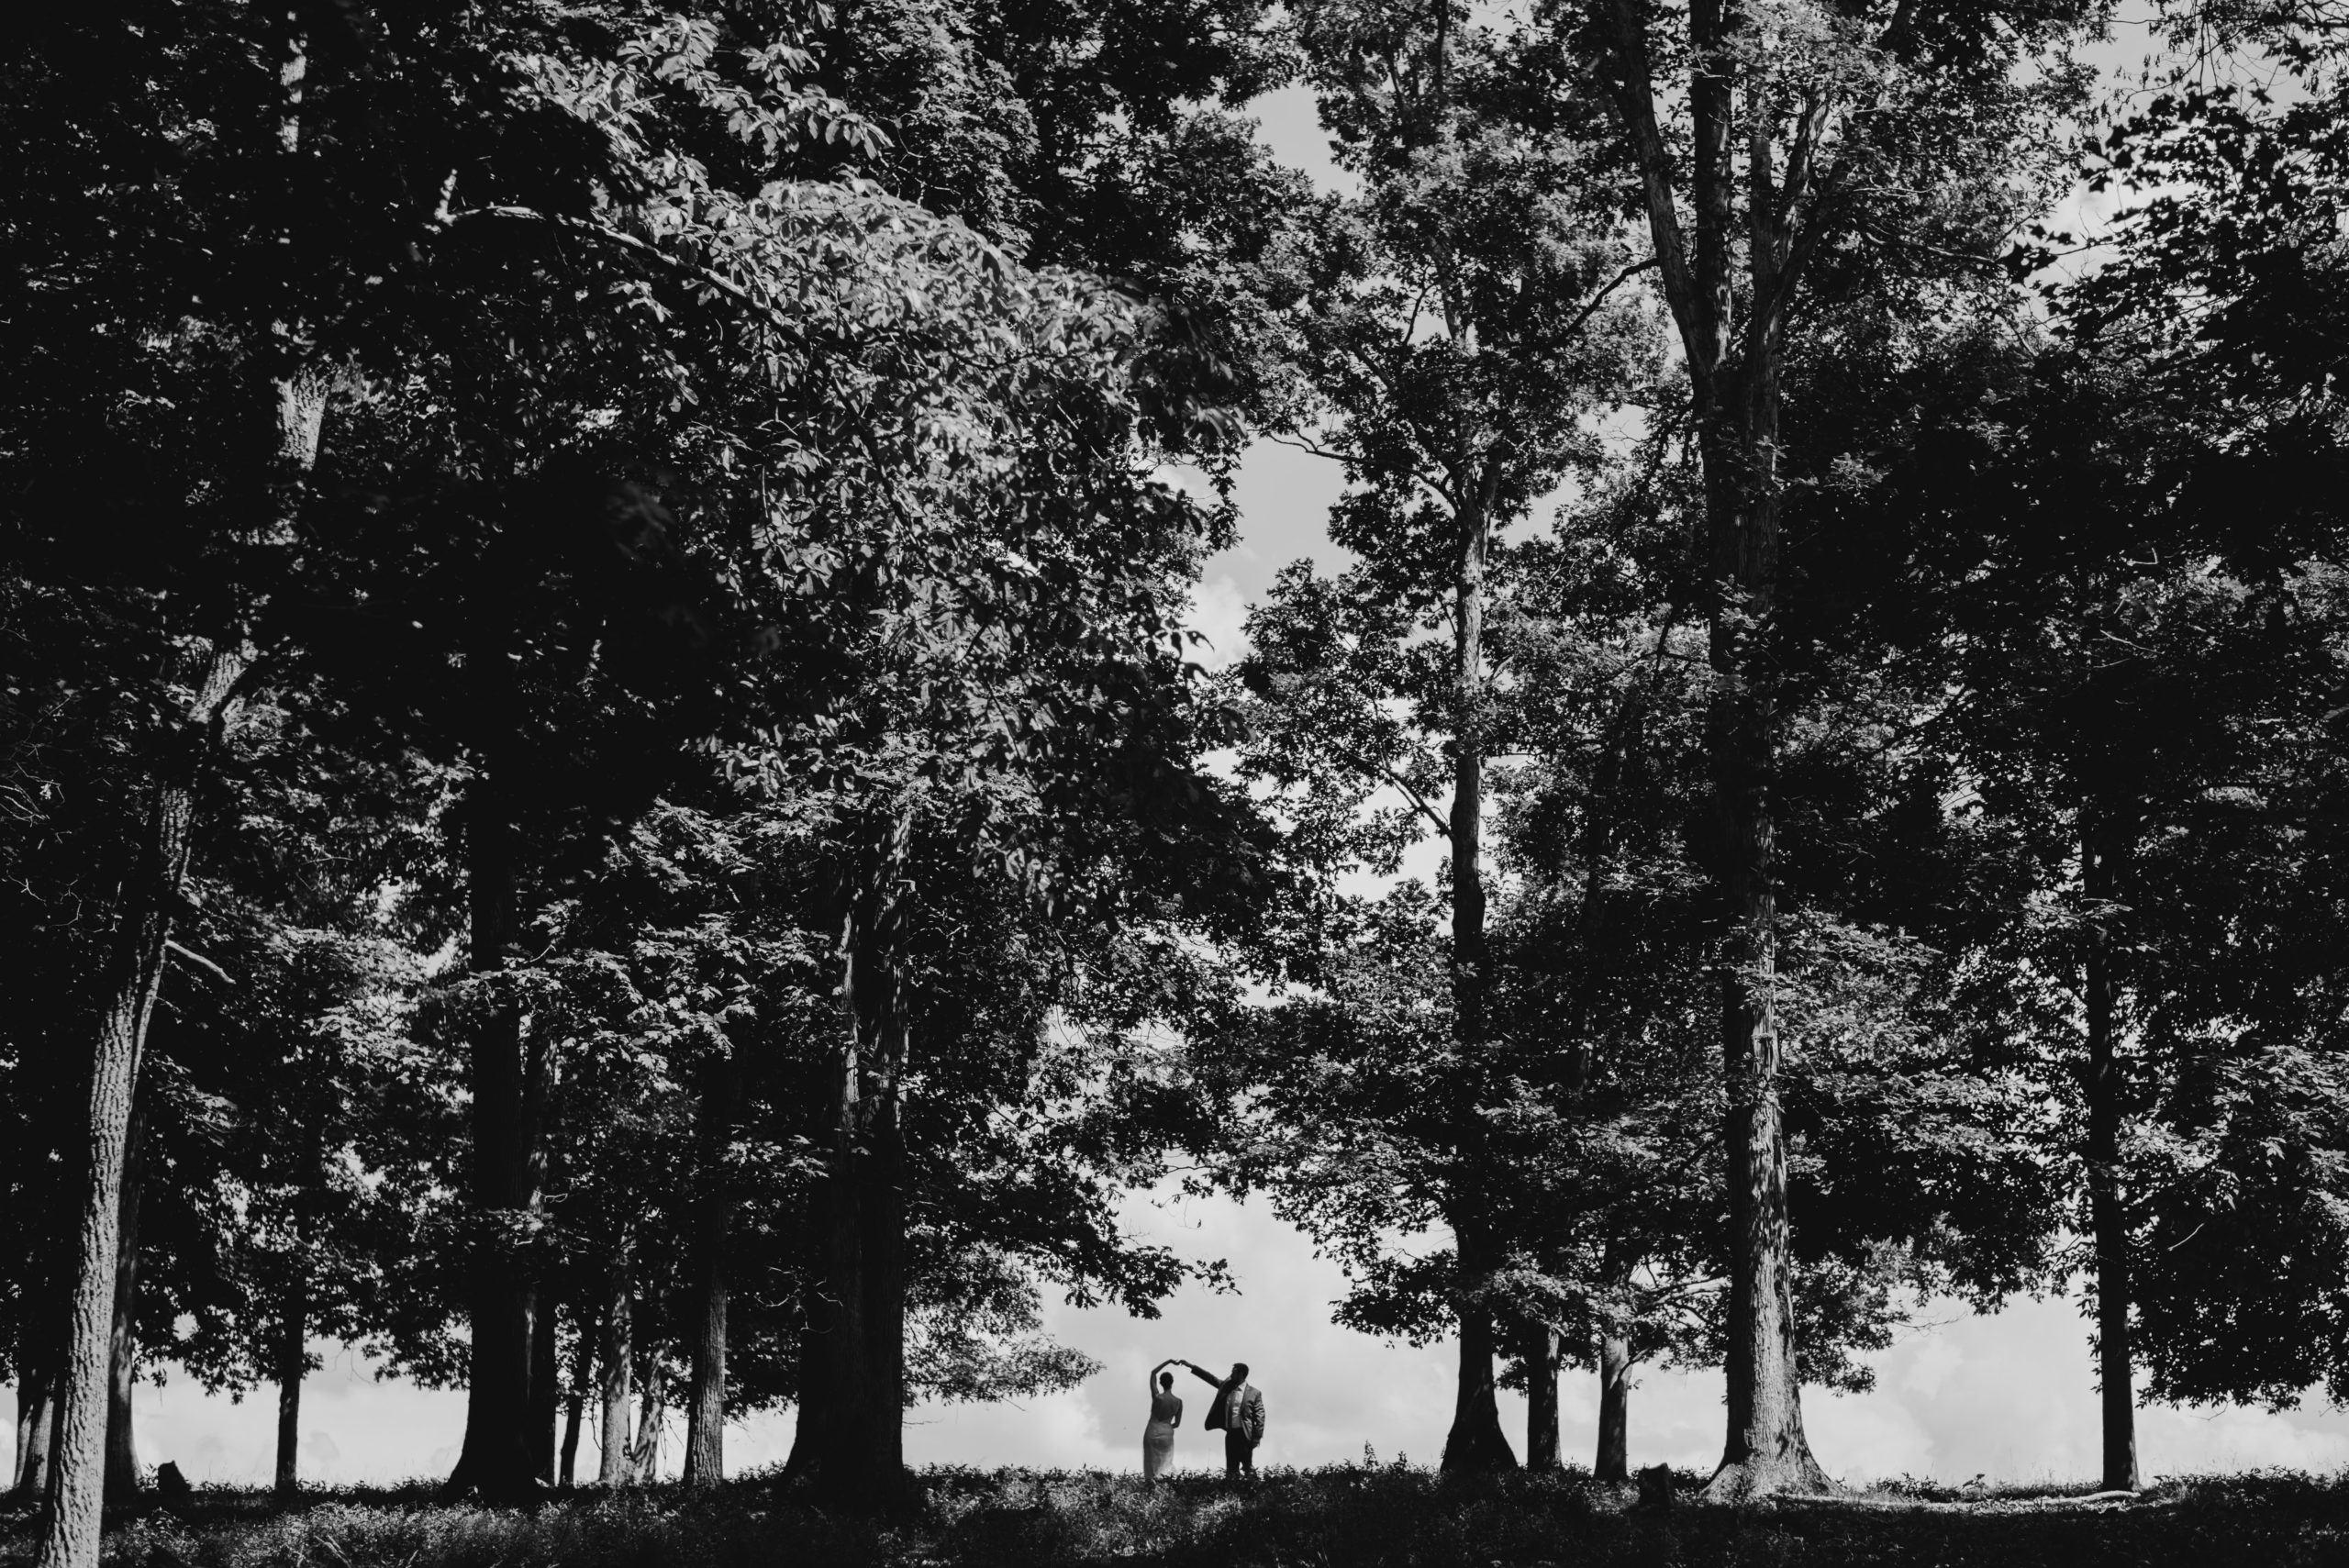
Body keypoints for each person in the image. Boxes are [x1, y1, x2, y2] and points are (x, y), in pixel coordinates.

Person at [1182, 1359, 1264, 1478]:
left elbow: (1260, 1416)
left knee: (1248, 1467)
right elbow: (1210, 1378)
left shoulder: (1254, 1393)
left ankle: (1254, 1491)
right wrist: (1191, 1366)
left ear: (1241, 1374)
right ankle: (1231, 1493)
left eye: (1234, 1372)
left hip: (1245, 1434)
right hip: (1231, 1433)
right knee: (1231, 1469)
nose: (1231, 1375)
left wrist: (1257, 1437)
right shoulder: (1226, 1387)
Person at [1142, 1359, 1184, 1480]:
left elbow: (1153, 1373)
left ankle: (1151, 1486)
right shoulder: (1178, 1402)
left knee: (1151, 1464)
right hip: (1166, 1432)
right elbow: (1177, 1424)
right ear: (1172, 1382)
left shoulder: (1157, 1397)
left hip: (1152, 1430)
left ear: (1160, 1383)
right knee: (1165, 1464)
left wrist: (1169, 1361)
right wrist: (1167, 1426)